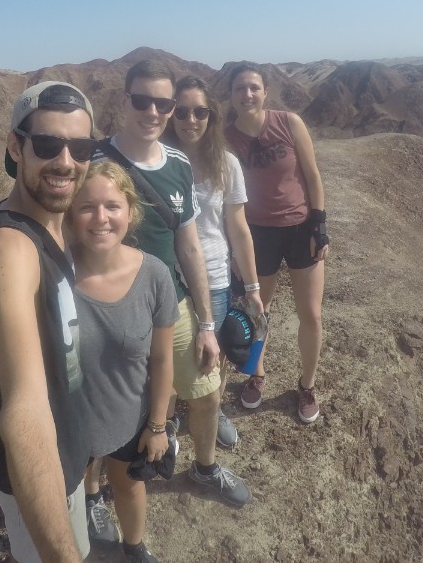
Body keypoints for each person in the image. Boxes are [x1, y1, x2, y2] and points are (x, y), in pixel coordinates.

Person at [95, 59, 252, 509]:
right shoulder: (97, 160)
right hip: (109, 309)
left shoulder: (179, 164)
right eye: (142, 100)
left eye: (163, 103)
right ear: (125, 101)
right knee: (105, 407)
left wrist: (206, 323)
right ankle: (93, 495)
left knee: (205, 393)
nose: (153, 111)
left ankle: (204, 469)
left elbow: (189, 247)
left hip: (171, 306)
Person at [0, 81, 98, 562]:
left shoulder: (53, 220)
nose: (66, 161)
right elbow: (25, 412)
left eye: (81, 147)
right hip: (39, 470)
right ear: (14, 145)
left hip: (68, 458)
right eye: (46, 144)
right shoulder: (11, 250)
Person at [69, 161, 178, 563]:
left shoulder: (154, 275)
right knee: (76, 484)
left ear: (131, 212)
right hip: (71, 425)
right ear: (71, 214)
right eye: (87, 207)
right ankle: (91, 501)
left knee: (129, 484)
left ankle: (133, 547)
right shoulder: (54, 275)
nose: (101, 218)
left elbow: (163, 359)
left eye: (112, 206)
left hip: (129, 417)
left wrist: (157, 426)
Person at [223, 63, 329, 424]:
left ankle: (307, 384)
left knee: (310, 314)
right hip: (257, 233)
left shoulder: (289, 123)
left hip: (300, 228)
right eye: (240, 88)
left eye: (254, 87)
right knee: (259, 310)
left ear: (266, 91)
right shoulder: (226, 139)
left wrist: (320, 225)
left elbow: (312, 175)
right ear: (232, 95)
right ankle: (257, 374)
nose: (247, 94)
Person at [164, 75, 264, 450]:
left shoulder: (226, 164)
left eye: (200, 112)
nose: (191, 120)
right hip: (170, 276)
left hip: (216, 274)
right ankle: (170, 416)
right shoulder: (159, 161)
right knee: (172, 351)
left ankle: (213, 407)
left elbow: (238, 228)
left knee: (213, 350)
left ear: (212, 115)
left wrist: (252, 287)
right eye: (182, 111)